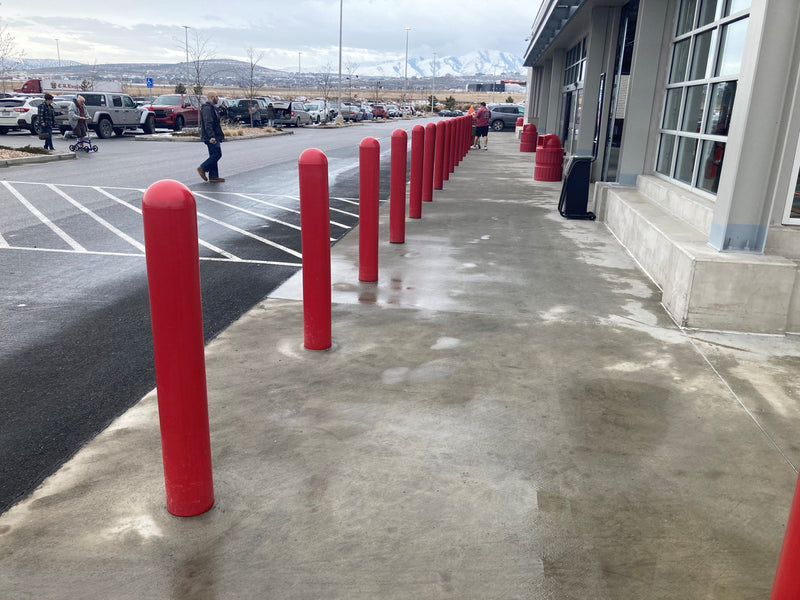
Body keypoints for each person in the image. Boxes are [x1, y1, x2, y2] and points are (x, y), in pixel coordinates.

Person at [197, 90, 226, 183]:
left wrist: (223, 108)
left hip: (214, 135)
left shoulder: (213, 108)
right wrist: (211, 136)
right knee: (217, 154)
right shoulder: (207, 108)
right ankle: (202, 168)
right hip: (211, 136)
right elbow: (208, 123)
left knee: (213, 154)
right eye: (216, 96)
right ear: (212, 97)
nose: (218, 98)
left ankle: (213, 176)